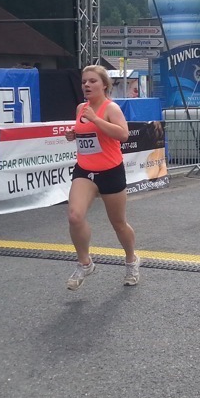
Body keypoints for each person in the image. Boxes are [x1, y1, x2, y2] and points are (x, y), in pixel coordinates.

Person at [63, 65, 141, 288]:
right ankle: (84, 263)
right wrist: (73, 134)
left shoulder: (111, 108)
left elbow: (123, 135)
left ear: (104, 85)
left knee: (118, 223)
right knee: (75, 216)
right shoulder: (81, 108)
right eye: (84, 82)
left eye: (92, 81)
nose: (86, 85)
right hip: (85, 170)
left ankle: (131, 260)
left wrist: (96, 120)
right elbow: (86, 134)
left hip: (110, 172)